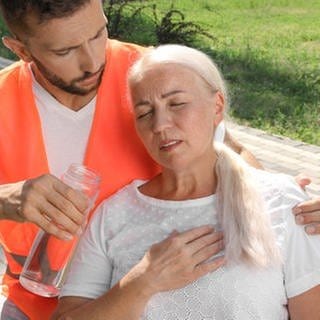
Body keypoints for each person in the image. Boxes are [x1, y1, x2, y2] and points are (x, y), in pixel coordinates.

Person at [0, 0, 318, 318]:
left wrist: (284, 208)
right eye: (65, 51)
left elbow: (226, 148)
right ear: (21, 49)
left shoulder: (148, 74)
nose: (93, 60)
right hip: (34, 305)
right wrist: (5, 198)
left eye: (99, 33)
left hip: (148, 297)